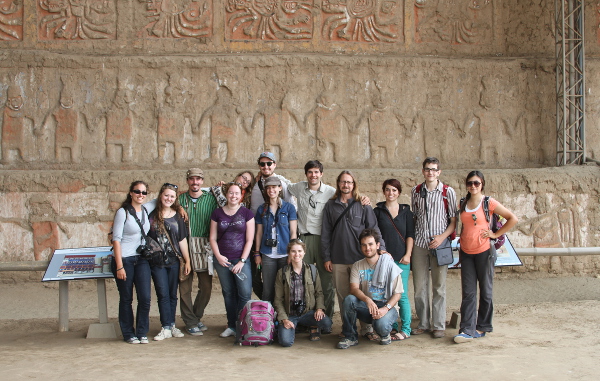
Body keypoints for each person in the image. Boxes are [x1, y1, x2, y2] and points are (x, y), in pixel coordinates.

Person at [454, 171, 518, 343]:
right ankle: (466, 329)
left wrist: (495, 234)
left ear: (482, 184)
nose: (473, 186)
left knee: (486, 290)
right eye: (469, 183)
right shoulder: (462, 202)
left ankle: (482, 326)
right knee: (468, 292)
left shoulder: (488, 202)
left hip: (484, 251)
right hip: (466, 252)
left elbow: (512, 219)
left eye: (476, 183)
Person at [321, 170, 385, 340]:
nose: (346, 185)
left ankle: (367, 328)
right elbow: (326, 233)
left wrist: (381, 248)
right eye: (343, 182)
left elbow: (373, 228)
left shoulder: (362, 204)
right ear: (338, 184)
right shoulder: (331, 205)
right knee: (343, 296)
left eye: (349, 182)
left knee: (364, 294)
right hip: (338, 259)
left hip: (360, 260)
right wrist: (327, 257)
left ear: (354, 184)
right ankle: (348, 329)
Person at [410, 157, 457, 339]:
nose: (430, 172)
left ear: (439, 172)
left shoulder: (447, 192)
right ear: (423, 171)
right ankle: (423, 322)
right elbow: (414, 217)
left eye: (434, 169)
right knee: (420, 286)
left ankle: (438, 324)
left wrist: (441, 238)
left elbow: (453, 222)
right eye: (427, 169)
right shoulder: (416, 191)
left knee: (439, 286)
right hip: (420, 244)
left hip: (440, 244)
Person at [337, 229, 402, 349]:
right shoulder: (358, 265)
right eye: (364, 245)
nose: (367, 248)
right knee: (349, 300)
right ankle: (350, 337)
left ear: (377, 245)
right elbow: (354, 288)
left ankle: (384, 333)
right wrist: (367, 300)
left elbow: (397, 294)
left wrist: (385, 309)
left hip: (387, 306)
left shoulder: (390, 265)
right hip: (368, 306)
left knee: (381, 325)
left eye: (371, 244)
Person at [209, 182, 255, 338]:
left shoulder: (247, 213)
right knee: (228, 293)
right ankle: (231, 325)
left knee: (244, 293)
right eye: (230, 193)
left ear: (241, 195)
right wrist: (218, 256)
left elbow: (250, 240)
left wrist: (242, 261)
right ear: (226, 194)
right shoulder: (217, 213)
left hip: (241, 259)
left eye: (237, 193)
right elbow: (212, 238)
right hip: (223, 260)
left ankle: (242, 325)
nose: (233, 196)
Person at [110, 180, 153, 344]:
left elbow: (165, 198)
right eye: (137, 192)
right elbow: (116, 239)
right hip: (125, 259)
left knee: (145, 297)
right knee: (126, 298)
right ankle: (128, 333)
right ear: (131, 193)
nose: (140, 195)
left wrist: (180, 208)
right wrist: (119, 265)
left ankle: (142, 331)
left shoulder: (145, 209)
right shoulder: (123, 212)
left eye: (143, 192)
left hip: (141, 259)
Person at [148, 183, 192, 341]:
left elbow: (182, 240)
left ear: (175, 199)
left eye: (172, 196)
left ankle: (172, 325)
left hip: (174, 261)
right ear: (161, 195)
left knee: (173, 295)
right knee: (163, 294)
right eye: (166, 195)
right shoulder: (151, 216)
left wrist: (187, 260)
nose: (168, 198)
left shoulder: (178, 216)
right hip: (157, 262)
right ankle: (165, 326)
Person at [178, 168, 218, 336]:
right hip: (184, 244)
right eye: (192, 179)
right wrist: (177, 206)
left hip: (204, 245)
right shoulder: (179, 199)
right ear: (187, 181)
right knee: (185, 287)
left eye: (198, 179)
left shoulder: (211, 199)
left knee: (206, 287)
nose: (195, 182)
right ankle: (190, 322)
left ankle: (195, 317)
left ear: (202, 181)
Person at [374, 179, 415, 341]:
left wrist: (408, 254)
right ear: (384, 191)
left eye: (394, 190)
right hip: (384, 260)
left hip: (402, 259)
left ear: (399, 192)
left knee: (401, 294)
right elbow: (375, 234)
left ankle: (406, 328)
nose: (391, 193)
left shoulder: (406, 212)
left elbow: (410, 235)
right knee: (386, 295)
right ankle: (392, 326)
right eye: (388, 190)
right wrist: (381, 252)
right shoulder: (377, 212)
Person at [273, 239, 333, 347]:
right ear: (289, 253)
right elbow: (278, 299)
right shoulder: (282, 273)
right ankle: (295, 326)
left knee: (327, 323)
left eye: (300, 251)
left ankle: (309, 325)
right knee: (285, 342)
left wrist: (319, 308)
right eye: (293, 251)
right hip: (290, 314)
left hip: (307, 313)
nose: (297, 254)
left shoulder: (312, 270)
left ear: (304, 252)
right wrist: (284, 319)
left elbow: (319, 293)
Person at [254, 176, 298, 303]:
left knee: (284, 287)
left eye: (273, 187)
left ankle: (283, 318)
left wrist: (292, 253)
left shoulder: (289, 208)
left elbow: (293, 233)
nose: (271, 190)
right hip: (268, 254)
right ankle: (267, 319)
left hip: (284, 253)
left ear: (279, 188)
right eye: (268, 188)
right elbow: (259, 233)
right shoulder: (262, 209)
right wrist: (257, 253)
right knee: (268, 289)